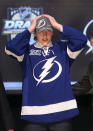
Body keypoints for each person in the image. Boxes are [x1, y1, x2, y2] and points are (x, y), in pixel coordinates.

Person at [5, 14, 87, 131]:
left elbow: (82, 40)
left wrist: (57, 25)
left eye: (48, 30)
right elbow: (10, 48)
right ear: (35, 33)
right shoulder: (26, 52)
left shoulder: (63, 49)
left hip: (62, 114)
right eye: (40, 31)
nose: (45, 35)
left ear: (52, 32)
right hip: (34, 116)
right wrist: (29, 29)